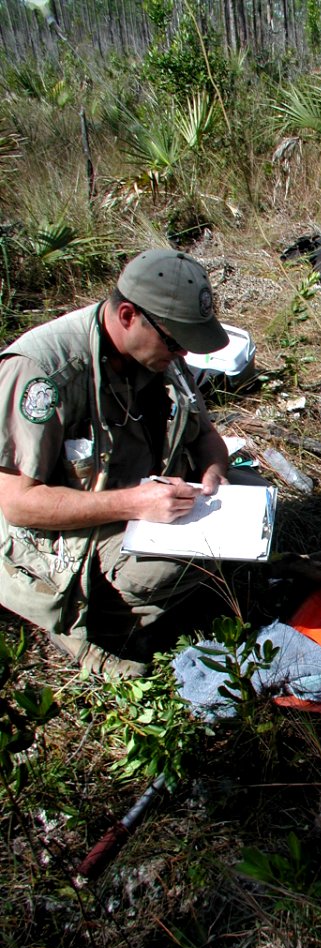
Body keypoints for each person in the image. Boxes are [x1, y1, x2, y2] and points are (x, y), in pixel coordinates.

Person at [0, 248, 244, 677]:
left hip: (155, 499)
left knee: (251, 492)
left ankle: (173, 599)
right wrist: (135, 504)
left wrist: (214, 472)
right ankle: (95, 627)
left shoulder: (160, 353)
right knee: (185, 562)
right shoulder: (42, 372)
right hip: (71, 533)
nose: (183, 356)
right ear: (129, 315)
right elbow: (19, 505)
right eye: (175, 342)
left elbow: (207, 436)